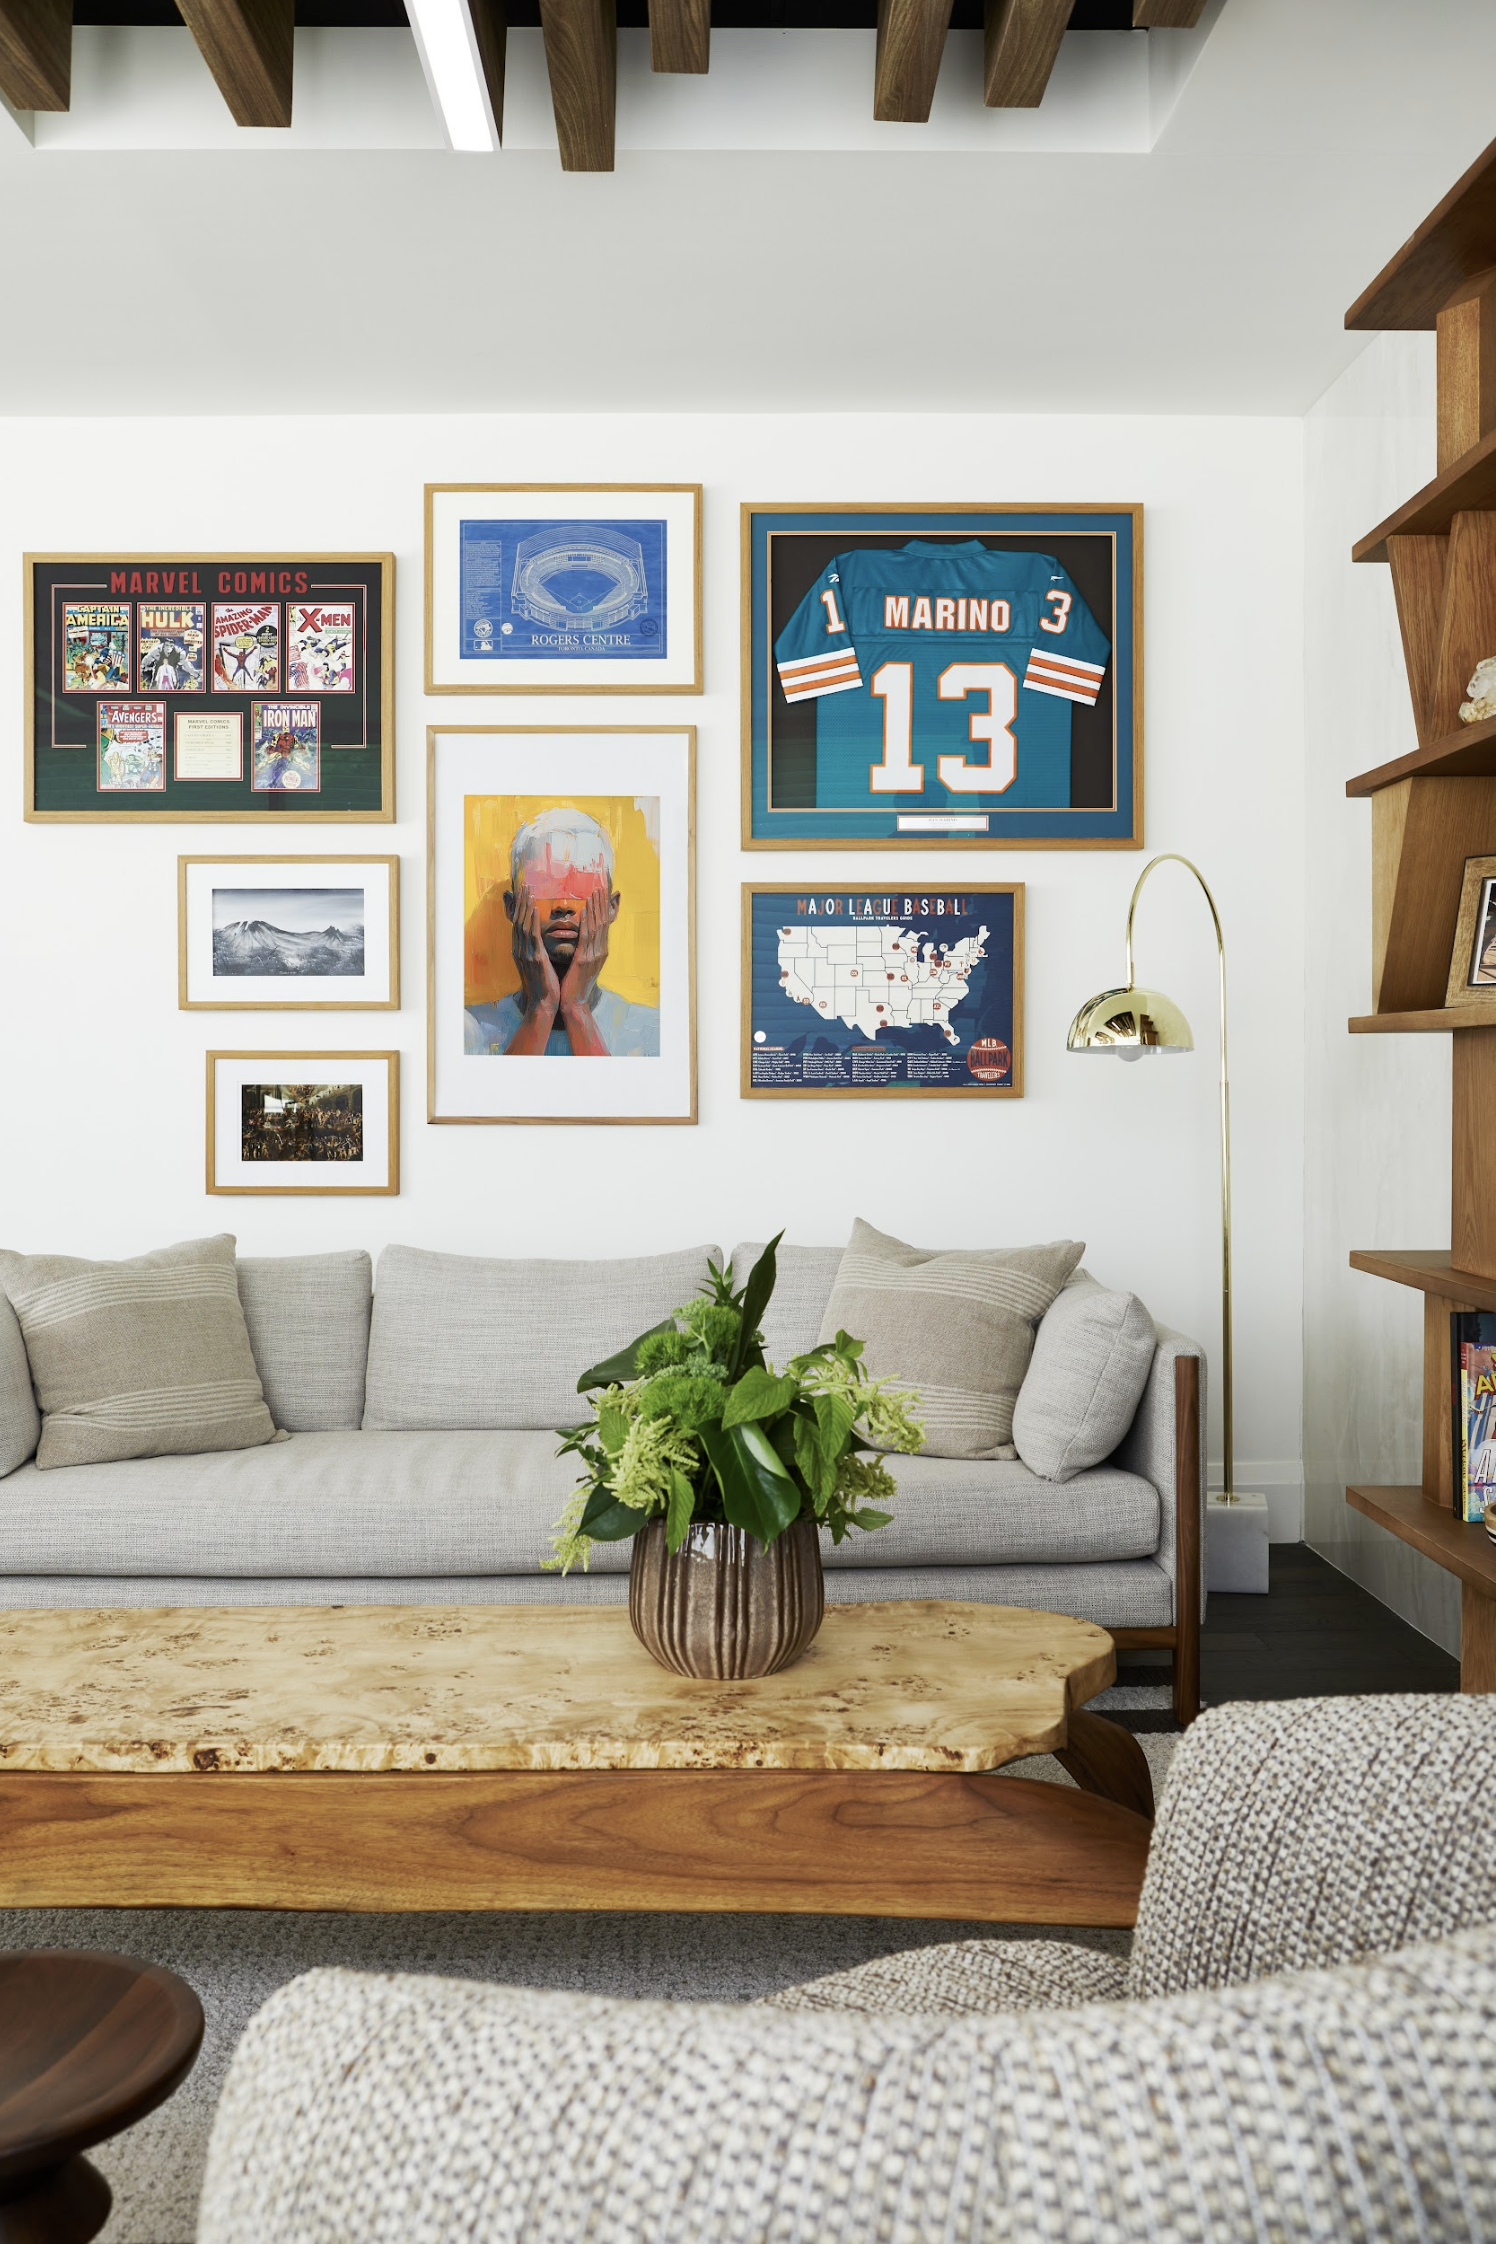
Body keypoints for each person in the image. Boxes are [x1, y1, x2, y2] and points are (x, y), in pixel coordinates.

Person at [464, 807, 659, 1057]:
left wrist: (576, 1007)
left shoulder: (651, 1031)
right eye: (544, 885)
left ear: (612, 908)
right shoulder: (470, 1029)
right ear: (511, 907)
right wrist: (541, 1007)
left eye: (582, 886)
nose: (563, 906)